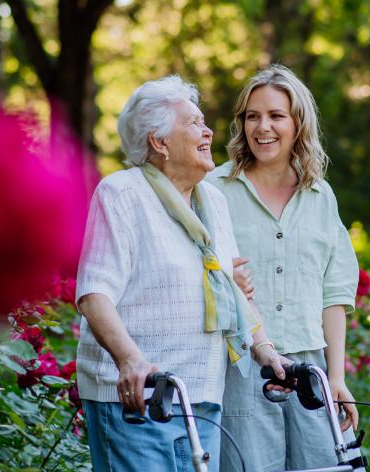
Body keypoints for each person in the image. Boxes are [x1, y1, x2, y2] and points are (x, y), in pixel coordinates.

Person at [75, 75, 289, 472]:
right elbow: (94, 293)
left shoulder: (214, 202)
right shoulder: (122, 194)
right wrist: (130, 360)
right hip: (140, 398)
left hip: (202, 395)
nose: (208, 130)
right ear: (159, 141)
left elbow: (230, 290)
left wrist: (266, 351)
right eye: (193, 123)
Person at [208, 65, 361, 471]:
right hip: (241, 370)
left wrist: (338, 378)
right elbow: (197, 273)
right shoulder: (212, 191)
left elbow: (335, 293)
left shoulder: (320, 196)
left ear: (297, 123)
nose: (263, 127)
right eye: (252, 116)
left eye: (276, 116)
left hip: (311, 371)